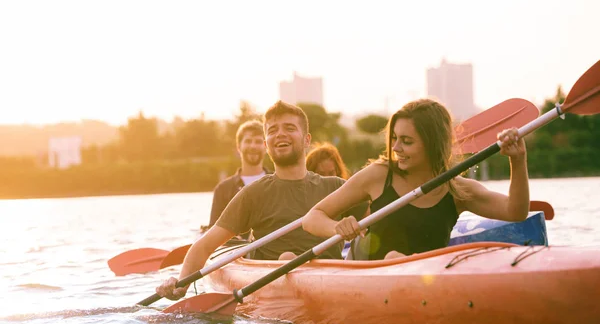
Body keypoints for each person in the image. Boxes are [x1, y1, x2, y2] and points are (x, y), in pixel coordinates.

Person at [157, 100, 366, 300]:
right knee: (287, 258)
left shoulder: (336, 187)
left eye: (290, 128)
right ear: (267, 144)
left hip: (333, 283)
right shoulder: (253, 194)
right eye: (273, 130)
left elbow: (378, 222)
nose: (280, 134)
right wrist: (181, 283)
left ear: (307, 140)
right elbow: (204, 246)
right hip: (277, 289)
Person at [302, 98, 530, 260]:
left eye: (407, 141)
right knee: (393, 256)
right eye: (394, 138)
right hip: (369, 272)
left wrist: (517, 161)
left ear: (432, 145)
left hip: (425, 282)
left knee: (399, 258)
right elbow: (312, 218)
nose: (396, 147)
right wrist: (337, 228)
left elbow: (515, 212)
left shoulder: (458, 190)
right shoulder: (379, 175)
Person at [205, 120, 270, 236]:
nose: (253, 146)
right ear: (238, 147)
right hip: (236, 251)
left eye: (258, 142)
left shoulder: (277, 182)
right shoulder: (223, 189)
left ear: (266, 147)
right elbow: (212, 233)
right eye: (248, 141)